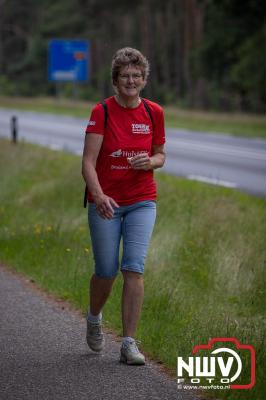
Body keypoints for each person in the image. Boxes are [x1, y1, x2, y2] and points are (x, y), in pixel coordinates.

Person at [82, 47, 166, 365]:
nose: (130, 80)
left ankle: (129, 343)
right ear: (115, 81)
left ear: (144, 80)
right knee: (106, 270)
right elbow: (88, 163)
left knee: (134, 267)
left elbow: (161, 154)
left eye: (136, 75)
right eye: (124, 76)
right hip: (106, 202)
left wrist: (151, 162)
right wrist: (99, 195)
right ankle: (93, 318)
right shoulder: (102, 111)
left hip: (142, 200)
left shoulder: (153, 112)